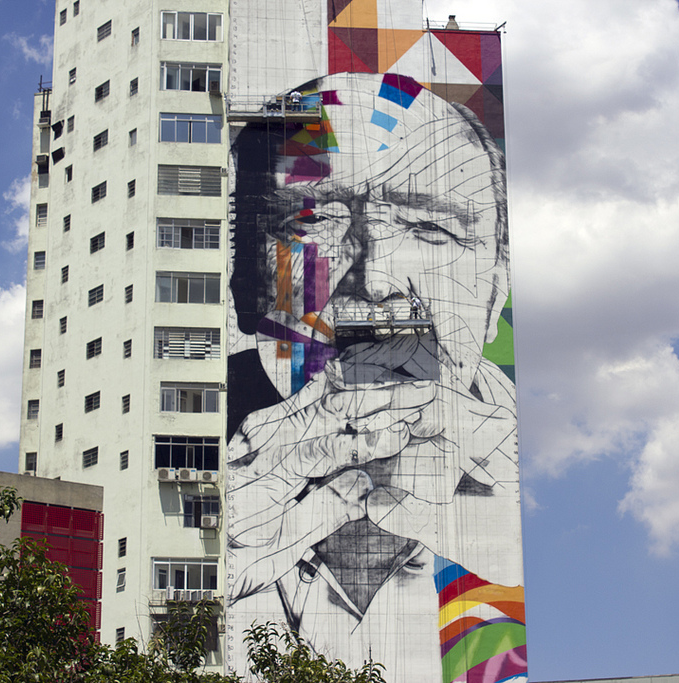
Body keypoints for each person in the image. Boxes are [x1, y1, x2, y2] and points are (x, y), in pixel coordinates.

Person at [225, 72, 525, 682]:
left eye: (432, 229)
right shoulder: (202, 461)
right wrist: (201, 572)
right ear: (244, 283)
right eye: (313, 222)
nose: (377, 281)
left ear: (495, 293)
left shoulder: (543, 507)